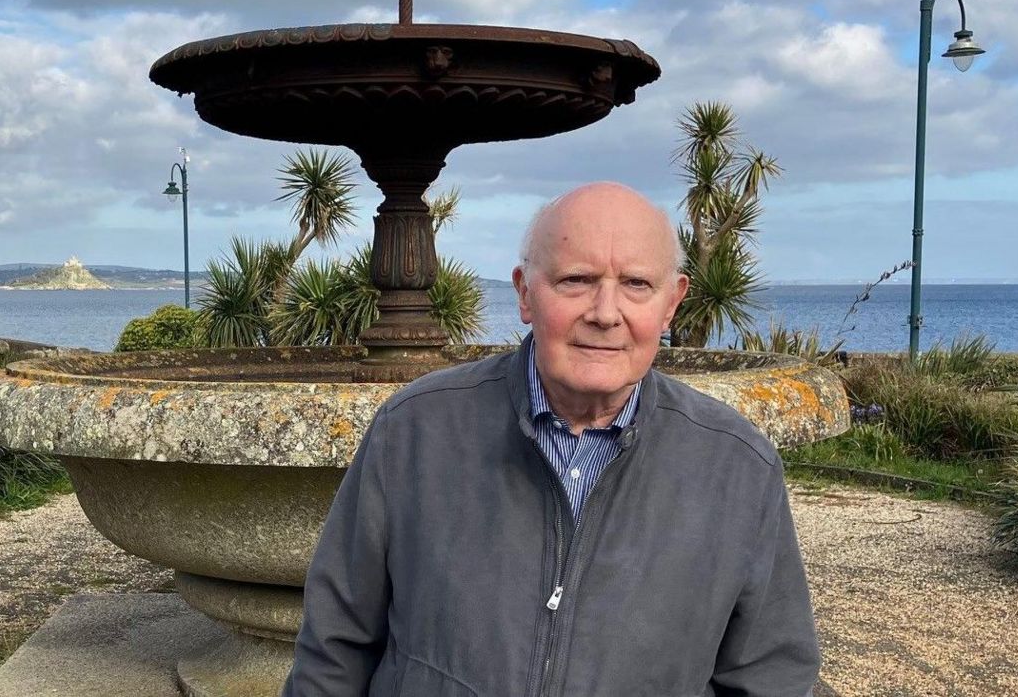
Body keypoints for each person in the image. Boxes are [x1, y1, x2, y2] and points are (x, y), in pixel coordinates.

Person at [283, 181, 820, 696]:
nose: (606, 314)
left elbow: (770, 675)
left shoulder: (737, 466)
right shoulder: (414, 431)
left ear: (671, 304)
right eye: (576, 280)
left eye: (636, 284)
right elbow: (335, 649)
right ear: (524, 293)